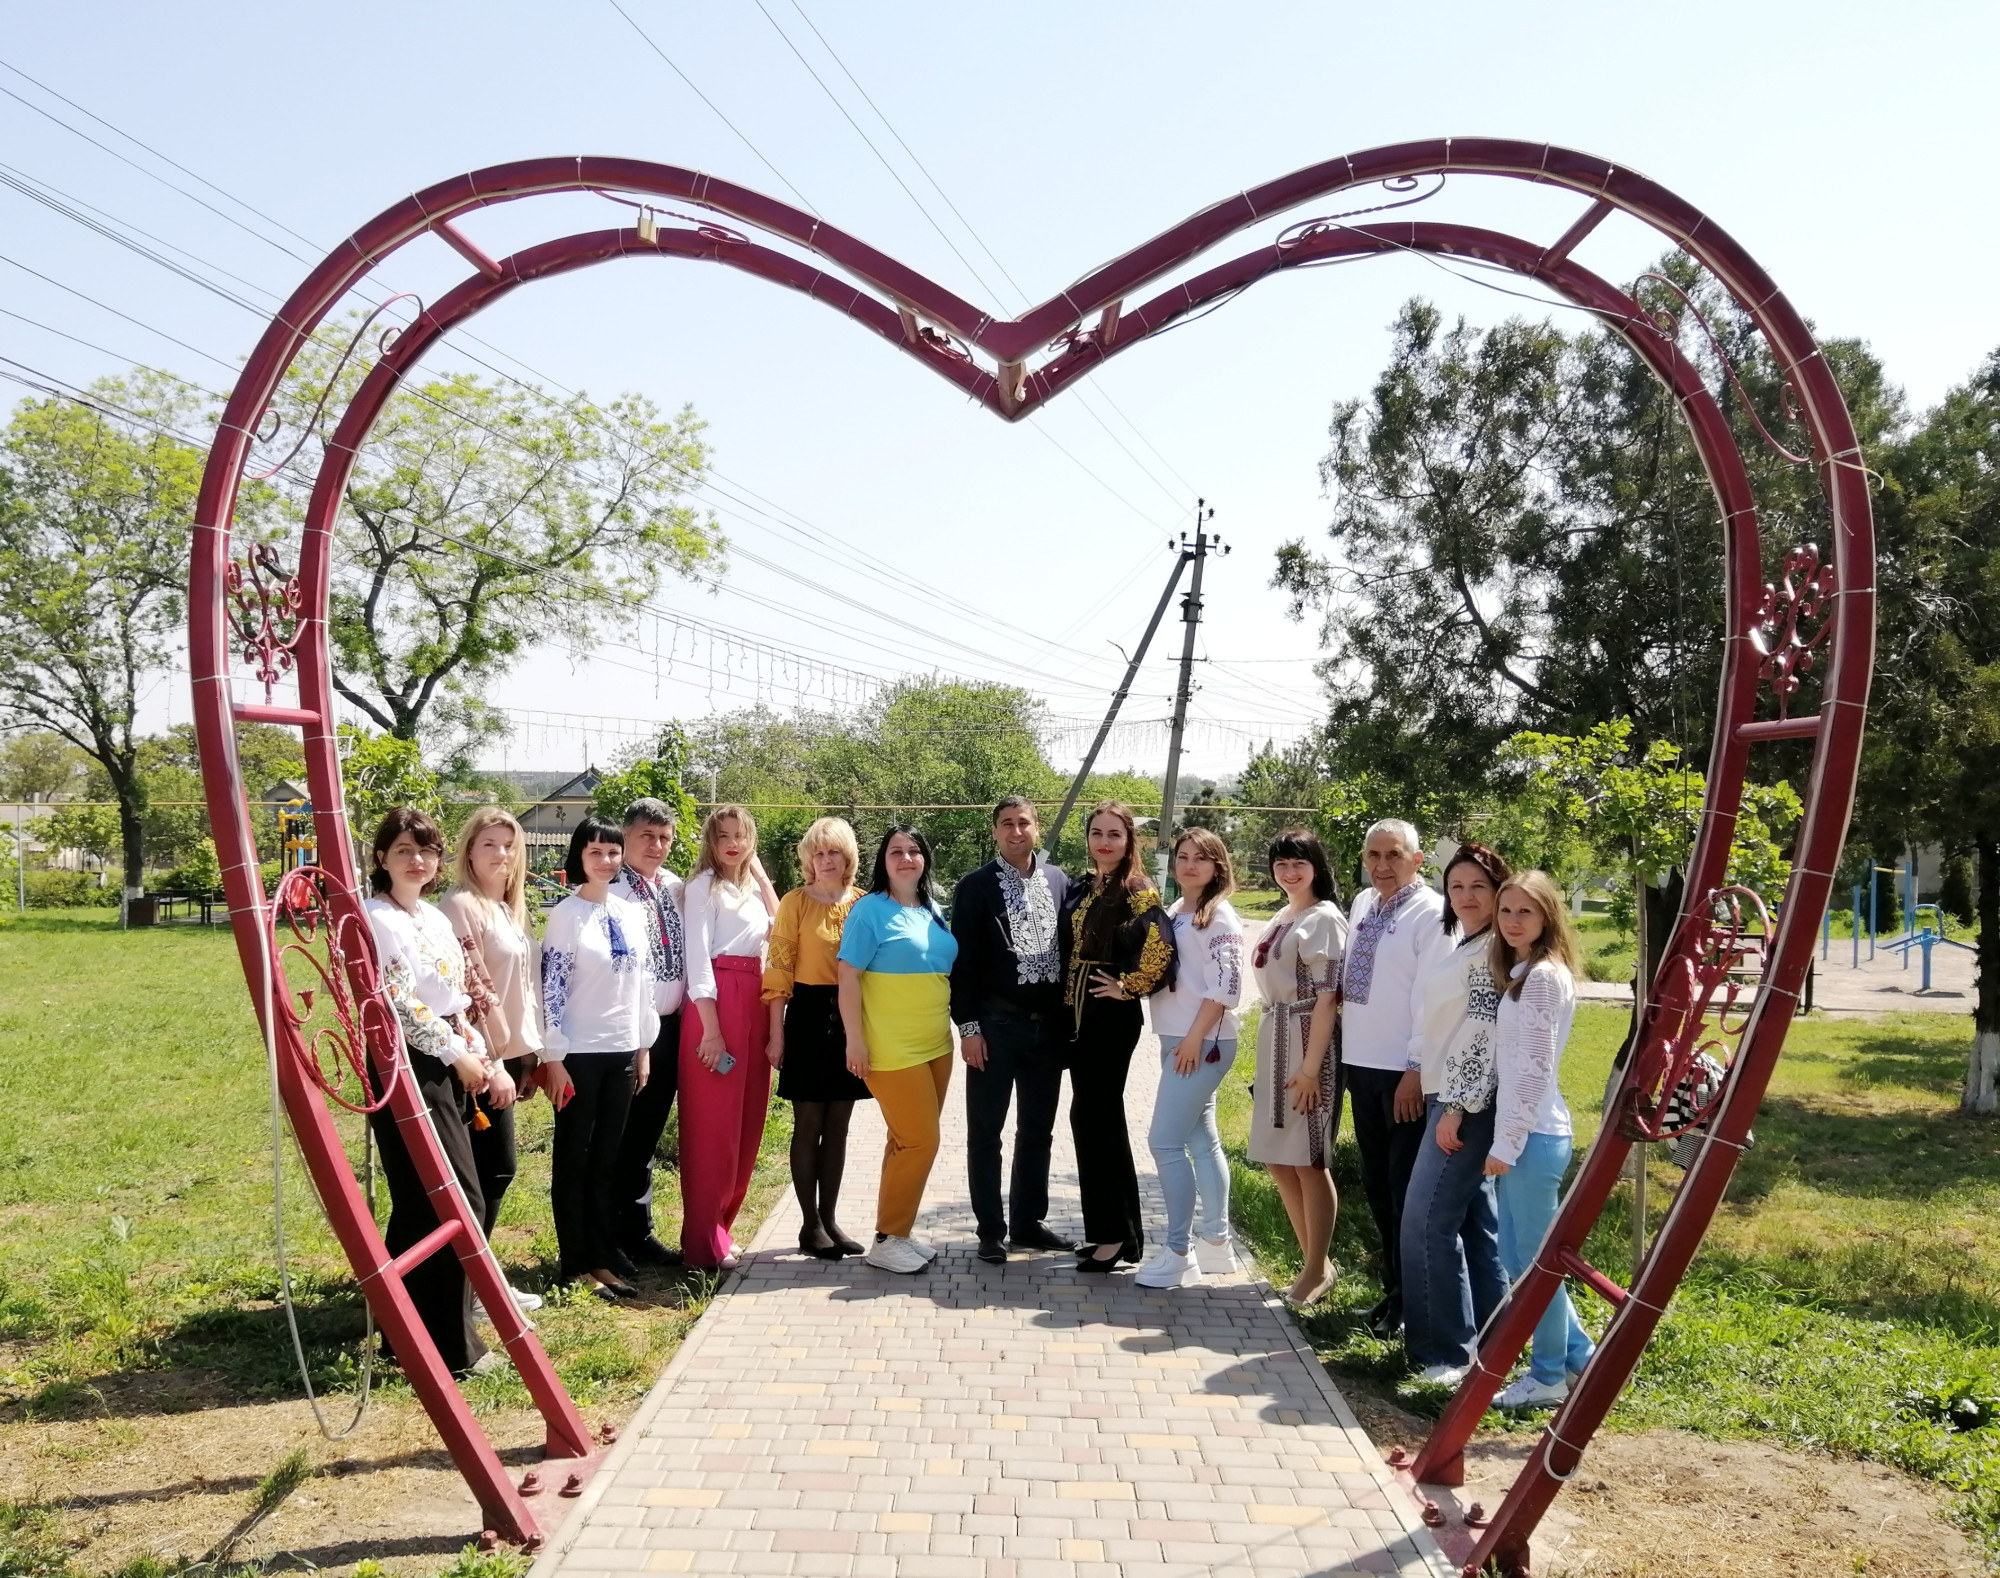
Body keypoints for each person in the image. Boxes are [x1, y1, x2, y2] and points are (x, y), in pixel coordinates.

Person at [362, 807, 498, 1376]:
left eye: (427, 850)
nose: (417, 860)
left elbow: (453, 995)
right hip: (407, 1062)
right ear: (381, 858)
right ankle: (450, 1345)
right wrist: (453, 1052)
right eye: (403, 850)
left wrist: (471, 1043)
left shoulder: (432, 916)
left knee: (422, 1201)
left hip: (445, 1054)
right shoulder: (377, 917)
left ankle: (404, 1331)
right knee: (454, 1197)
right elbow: (397, 1001)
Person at [1400, 842, 1513, 1383]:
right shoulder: (1467, 944)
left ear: (1499, 892)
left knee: (1426, 1222)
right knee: (1475, 1225)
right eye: (1457, 886)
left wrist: (1458, 1107)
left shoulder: (1492, 952)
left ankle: (1444, 1354)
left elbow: (1484, 1036)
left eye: (1478, 887)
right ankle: (1499, 1344)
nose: (1466, 896)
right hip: (1448, 1096)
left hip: (1464, 1102)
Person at [949, 796, 1077, 1265]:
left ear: (1037, 828)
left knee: (1038, 1131)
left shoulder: (1060, 881)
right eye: (1006, 823)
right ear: (995, 831)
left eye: (1024, 822)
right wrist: (968, 1028)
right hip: (995, 1028)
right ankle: (990, 1230)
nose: (1016, 831)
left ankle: (1027, 1222)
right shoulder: (975, 886)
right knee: (986, 1132)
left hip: (1047, 1031)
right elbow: (962, 964)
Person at [1485, 869, 1595, 1409]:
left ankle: (1548, 1375)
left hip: (1533, 1136)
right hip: (1526, 1134)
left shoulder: (1544, 978)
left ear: (1547, 916)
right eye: (1505, 911)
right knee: (1518, 1257)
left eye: (1524, 911)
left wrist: (1505, 1145)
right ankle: (1579, 1356)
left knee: (1533, 1265)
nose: (1512, 921)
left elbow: (1533, 1071)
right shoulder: (1526, 971)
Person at [539, 815, 658, 1301]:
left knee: (608, 1160)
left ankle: (604, 1256)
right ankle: (577, 1263)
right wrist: (552, 1056)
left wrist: (643, 1046)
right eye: (596, 852)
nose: (606, 860)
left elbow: (644, 984)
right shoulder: (566, 915)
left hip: (623, 1050)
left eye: (613, 852)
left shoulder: (631, 912)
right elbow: (551, 989)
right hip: (578, 1054)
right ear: (579, 857)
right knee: (575, 1158)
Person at [1342, 818, 1450, 1338]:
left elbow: (1431, 1000)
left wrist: (1415, 1068)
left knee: (1404, 1189)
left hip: (1402, 1074)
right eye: (1373, 855)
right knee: (1377, 1184)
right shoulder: (1364, 903)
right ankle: (1392, 1293)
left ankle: (1412, 1305)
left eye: (1394, 855)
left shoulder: (1432, 913)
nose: (1382, 865)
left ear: (1417, 859)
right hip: (1361, 1064)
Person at [838, 825, 960, 1275]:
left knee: (904, 1141)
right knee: (921, 1141)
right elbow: (847, 977)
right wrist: (855, 1040)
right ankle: (889, 1240)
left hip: (936, 1044)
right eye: (896, 851)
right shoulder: (869, 910)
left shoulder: (932, 909)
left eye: (914, 851)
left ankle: (896, 1233)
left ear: (925, 858)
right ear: (883, 861)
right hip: (891, 1047)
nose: (906, 858)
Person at [1060, 801, 1175, 1273]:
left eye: (1114, 834)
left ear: (1129, 841)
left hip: (1109, 1019)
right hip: (1080, 1016)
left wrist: (1129, 985)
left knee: (1097, 1118)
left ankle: (1113, 1236)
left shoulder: (1137, 887)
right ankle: (1117, 1234)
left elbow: (1160, 942)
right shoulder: (1087, 884)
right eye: (1097, 833)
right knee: (1091, 1119)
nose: (1104, 842)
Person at [438, 805, 543, 1319]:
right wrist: (495, 1063)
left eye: (509, 845)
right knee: (486, 1173)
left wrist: (532, 1052)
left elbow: (523, 984)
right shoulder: (460, 906)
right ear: (469, 851)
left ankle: (476, 1281)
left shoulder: (506, 907)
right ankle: (469, 1288)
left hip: (511, 1054)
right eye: (489, 844)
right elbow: (468, 992)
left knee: (491, 1173)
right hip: (479, 1061)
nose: (501, 854)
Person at [1137, 827, 1245, 1290]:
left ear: (1218, 865)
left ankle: (1178, 1252)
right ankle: (1216, 1243)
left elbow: (1227, 987)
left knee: (1164, 1142)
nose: (1189, 864)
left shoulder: (1218, 916)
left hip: (1200, 1042)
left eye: (1201, 857)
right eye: (1183, 856)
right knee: (1202, 1140)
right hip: (1179, 1038)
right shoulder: (1177, 910)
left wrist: (1193, 1039)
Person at [1247, 828, 1348, 1309]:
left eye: (1299, 863)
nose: (1289, 872)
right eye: (1281, 863)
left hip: (1308, 1039)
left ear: (1316, 866)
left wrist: (1310, 1070)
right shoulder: (1284, 914)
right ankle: (1316, 1263)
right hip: (1276, 1035)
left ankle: (1315, 1269)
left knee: (1308, 1159)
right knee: (1277, 1156)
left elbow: (1328, 998)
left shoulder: (1323, 918)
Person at [678, 805, 782, 1270]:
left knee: (747, 1120)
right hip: (717, 1004)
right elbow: (697, 959)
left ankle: (722, 1228)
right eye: (723, 836)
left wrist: (759, 875)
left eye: (741, 835)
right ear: (711, 841)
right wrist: (712, 1029)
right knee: (712, 1127)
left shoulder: (753, 891)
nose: (733, 844)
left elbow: (780, 927)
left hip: (755, 999)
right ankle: (702, 1242)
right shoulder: (703, 886)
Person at [763, 817, 870, 1259]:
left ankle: (830, 1219)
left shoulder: (864, 903)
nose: (825, 860)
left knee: (839, 1125)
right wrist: (776, 1034)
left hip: (851, 1021)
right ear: (809, 859)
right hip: (806, 1017)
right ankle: (809, 1225)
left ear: (848, 857)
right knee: (808, 1123)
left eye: (834, 852)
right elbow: (779, 970)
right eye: (818, 853)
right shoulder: (794, 903)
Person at [608, 798, 688, 1268]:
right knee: (619, 1135)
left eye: (664, 838)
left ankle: (639, 1232)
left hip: (671, 1028)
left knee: (646, 1135)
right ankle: (609, 1236)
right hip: (627, 1031)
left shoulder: (675, 887)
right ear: (626, 836)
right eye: (646, 836)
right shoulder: (612, 889)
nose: (656, 846)